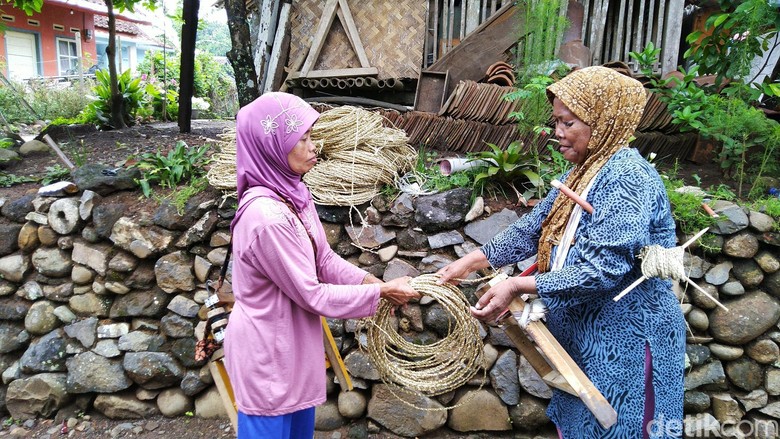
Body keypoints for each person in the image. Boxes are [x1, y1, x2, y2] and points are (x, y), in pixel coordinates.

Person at [437, 66, 685, 438]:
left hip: (628, 340)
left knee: (623, 426)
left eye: (568, 123)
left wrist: (518, 287)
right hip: (586, 334)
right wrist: (471, 262)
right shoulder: (584, 172)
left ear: (603, 122)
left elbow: (602, 269)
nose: (557, 133)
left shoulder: (629, 179)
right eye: (556, 122)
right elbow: (534, 226)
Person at [224, 92, 419, 439]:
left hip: (292, 346)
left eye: (311, 136)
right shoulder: (266, 217)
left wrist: (369, 281)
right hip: (268, 352)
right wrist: (380, 293)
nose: (314, 146)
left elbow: (323, 259)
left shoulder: (293, 195)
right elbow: (310, 294)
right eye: (302, 139)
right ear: (271, 147)